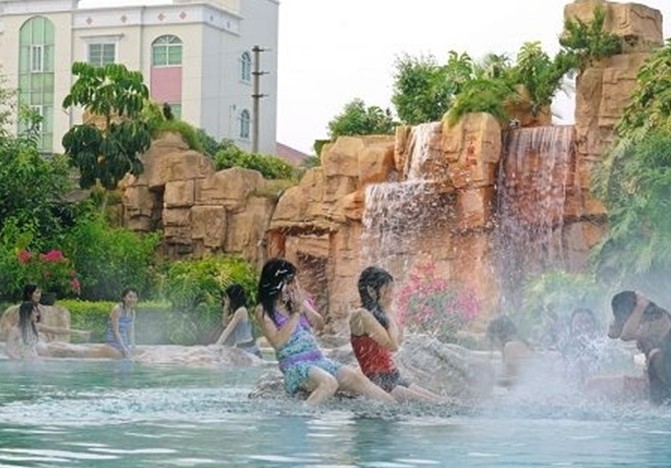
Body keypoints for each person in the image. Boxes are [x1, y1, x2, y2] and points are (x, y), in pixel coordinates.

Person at [255, 258, 395, 404]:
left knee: (357, 378)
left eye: (294, 281)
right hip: (295, 365)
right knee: (329, 383)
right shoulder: (263, 310)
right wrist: (296, 313)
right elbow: (277, 342)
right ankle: (301, 413)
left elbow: (319, 325)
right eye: (289, 282)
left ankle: (392, 408)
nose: (293, 286)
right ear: (275, 283)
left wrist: (303, 306)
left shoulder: (298, 302)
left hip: (318, 360)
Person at [349, 266, 443, 402]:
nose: (391, 294)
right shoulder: (361, 315)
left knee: (442, 401)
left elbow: (399, 340)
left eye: (392, 289)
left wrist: (389, 312)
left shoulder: (378, 314)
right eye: (387, 290)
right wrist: (387, 309)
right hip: (378, 380)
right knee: (434, 404)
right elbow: (392, 346)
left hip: (392, 375)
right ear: (371, 290)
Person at [607, 291, 671, 405]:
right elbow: (612, 333)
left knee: (655, 355)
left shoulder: (658, 317)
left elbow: (626, 335)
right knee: (593, 385)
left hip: (665, 367)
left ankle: (660, 405)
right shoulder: (637, 319)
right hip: (656, 372)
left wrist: (640, 306)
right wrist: (621, 317)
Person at [20, 284, 91, 342]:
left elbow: (57, 330)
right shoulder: (17, 330)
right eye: (37, 292)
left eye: (40, 292)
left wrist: (79, 333)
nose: (36, 314)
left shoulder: (36, 326)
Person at [215, 284, 262, 358]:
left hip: (248, 348)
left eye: (227, 297)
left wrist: (216, 346)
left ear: (232, 298)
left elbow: (227, 330)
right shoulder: (237, 311)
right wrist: (226, 307)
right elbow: (225, 324)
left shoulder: (241, 311)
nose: (226, 299)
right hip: (242, 347)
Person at [485, 315, 532, 388]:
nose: (494, 343)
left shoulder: (510, 346)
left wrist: (490, 380)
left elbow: (511, 377)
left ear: (497, 334)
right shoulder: (518, 344)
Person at [105, 288, 138, 359]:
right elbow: (116, 332)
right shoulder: (117, 309)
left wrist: (133, 347)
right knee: (122, 357)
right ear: (124, 298)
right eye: (130, 297)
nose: (132, 299)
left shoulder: (132, 312)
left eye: (135, 297)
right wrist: (124, 349)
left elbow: (131, 331)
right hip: (113, 342)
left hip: (124, 342)